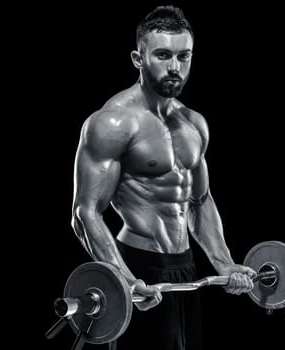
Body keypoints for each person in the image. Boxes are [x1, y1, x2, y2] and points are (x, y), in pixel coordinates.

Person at [71, 5, 256, 350]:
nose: (175, 67)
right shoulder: (113, 123)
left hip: (186, 269)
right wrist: (124, 280)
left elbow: (200, 200)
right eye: (163, 55)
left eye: (184, 56)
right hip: (140, 265)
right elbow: (85, 213)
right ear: (138, 58)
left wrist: (224, 262)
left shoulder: (194, 123)